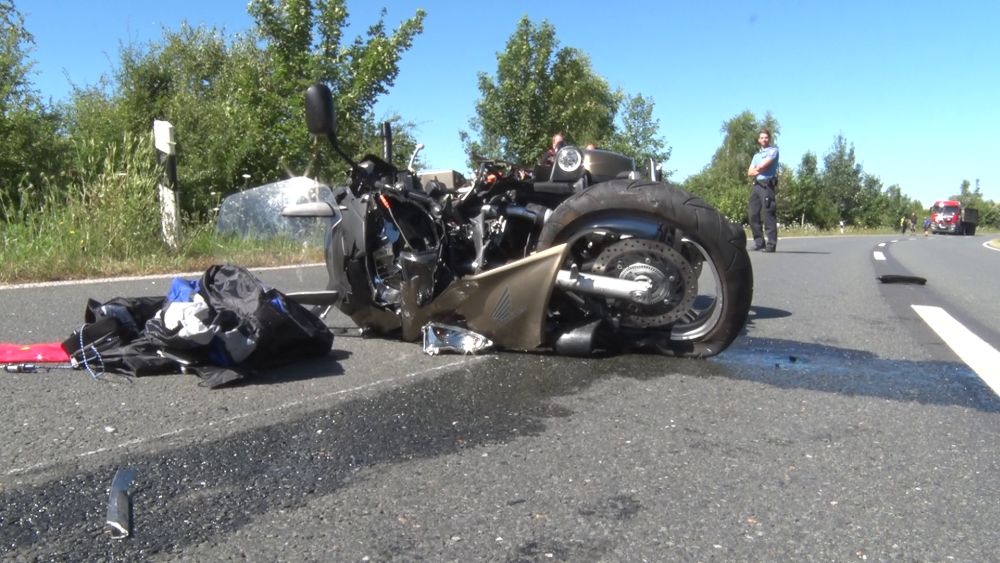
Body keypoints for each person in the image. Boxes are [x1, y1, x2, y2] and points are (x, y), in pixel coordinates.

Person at [747, 128, 779, 252]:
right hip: (757, 186)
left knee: (768, 214)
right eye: (761, 137)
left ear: (769, 139)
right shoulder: (756, 156)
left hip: (767, 185)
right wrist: (758, 169)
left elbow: (764, 166)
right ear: (758, 140)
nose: (764, 139)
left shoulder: (773, 151)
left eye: (766, 137)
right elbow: (750, 172)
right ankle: (759, 242)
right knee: (753, 214)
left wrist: (758, 169)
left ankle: (771, 245)